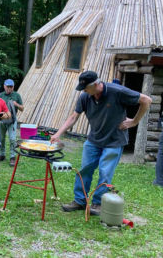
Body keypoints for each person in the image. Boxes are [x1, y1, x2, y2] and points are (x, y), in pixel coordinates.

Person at [50, 71, 152, 215]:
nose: (84, 91)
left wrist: (134, 121)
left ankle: (97, 203)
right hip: (94, 140)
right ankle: (80, 200)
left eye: (86, 88)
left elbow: (146, 100)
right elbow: (74, 117)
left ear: (96, 84)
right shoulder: (85, 97)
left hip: (114, 141)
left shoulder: (117, 91)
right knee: (85, 169)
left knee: (105, 173)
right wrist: (58, 134)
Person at [0, 79, 24, 166]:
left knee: (12, 139)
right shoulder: (0, 95)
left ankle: (12, 157)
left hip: (12, 121)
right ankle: (2, 155)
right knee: (1, 139)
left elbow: (22, 108)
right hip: (2, 120)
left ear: (13, 87)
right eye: (8, 86)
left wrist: (16, 104)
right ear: (4, 86)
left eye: (11, 87)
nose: (9, 88)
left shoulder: (17, 95)